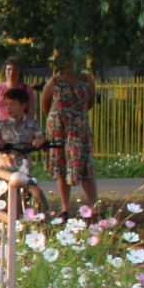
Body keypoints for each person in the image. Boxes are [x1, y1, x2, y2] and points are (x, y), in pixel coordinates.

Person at [40, 52, 99, 213]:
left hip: (79, 129)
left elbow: (90, 102)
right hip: (59, 129)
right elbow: (45, 105)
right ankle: (65, 207)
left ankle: (94, 205)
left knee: (85, 166)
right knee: (61, 167)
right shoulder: (54, 82)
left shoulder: (87, 80)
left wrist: (75, 117)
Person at [0, 57, 24, 126]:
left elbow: (31, 112)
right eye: (9, 69)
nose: (12, 72)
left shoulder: (26, 90)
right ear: (5, 71)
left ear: (19, 72)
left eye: (15, 69)